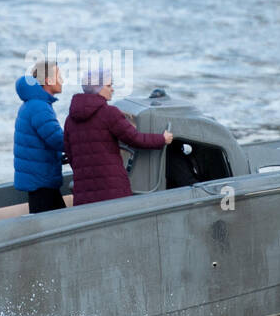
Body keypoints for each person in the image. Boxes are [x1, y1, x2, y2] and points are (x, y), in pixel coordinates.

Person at [64, 63, 172, 206]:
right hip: (111, 190)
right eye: (109, 85)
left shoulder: (70, 119)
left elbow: (70, 154)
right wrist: (162, 139)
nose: (112, 89)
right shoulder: (109, 113)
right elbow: (135, 139)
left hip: (84, 193)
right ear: (99, 88)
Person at [14, 60, 67, 213]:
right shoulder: (39, 107)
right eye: (59, 76)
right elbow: (57, 139)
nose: (62, 81)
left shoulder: (32, 104)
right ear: (48, 80)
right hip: (41, 181)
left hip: (38, 178)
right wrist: (82, 144)